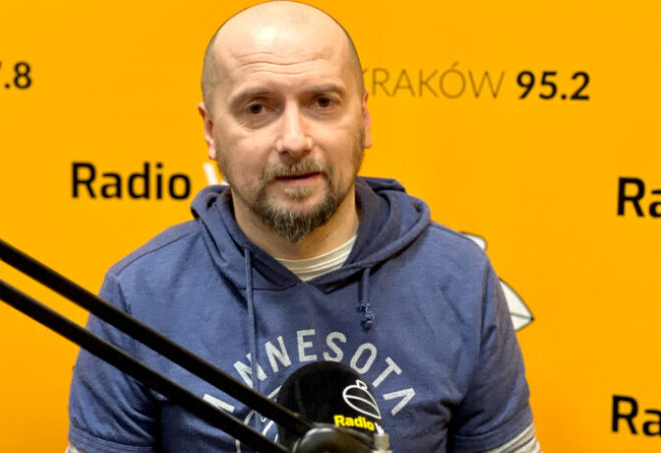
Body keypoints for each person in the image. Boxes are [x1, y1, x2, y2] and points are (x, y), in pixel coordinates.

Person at [67, 1, 541, 452]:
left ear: (364, 117)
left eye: (322, 102)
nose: (294, 140)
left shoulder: (458, 278)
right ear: (211, 130)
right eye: (257, 108)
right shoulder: (140, 296)